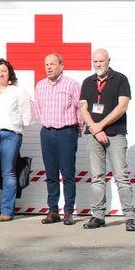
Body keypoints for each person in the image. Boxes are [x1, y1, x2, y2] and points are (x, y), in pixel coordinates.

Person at [80, 49, 135, 232]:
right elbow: (83, 108)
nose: (98, 64)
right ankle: (98, 216)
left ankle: (130, 217)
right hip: (94, 136)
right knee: (97, 177)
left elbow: (122, 107)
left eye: (101, 61)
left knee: (121, 176)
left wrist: (101, 125)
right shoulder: (87, 82)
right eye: (95, 61)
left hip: (115, 134)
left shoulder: (120, 79)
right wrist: (94, 128)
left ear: (108, 61)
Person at [34, 53, 82, 226]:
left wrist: (78, 129)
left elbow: (79, 108)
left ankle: (68, 211)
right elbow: (38, 108)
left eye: (52, 64)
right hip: (47, 132)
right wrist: (45, 123)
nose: (49, 67)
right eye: (46, 64)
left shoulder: (72, 84)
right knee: (51, 173)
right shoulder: (40, 85)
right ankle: (53, 210)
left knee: (67, 173)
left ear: (61, 66)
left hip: (66, 132)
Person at [0, 58, 34, 222]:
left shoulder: (18, 92)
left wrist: (16, 126)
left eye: (4, 71)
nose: (1, 74)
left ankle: (7, 210)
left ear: (9, 73)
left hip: (11, 135)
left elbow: (27, 116)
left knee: (8, 172)